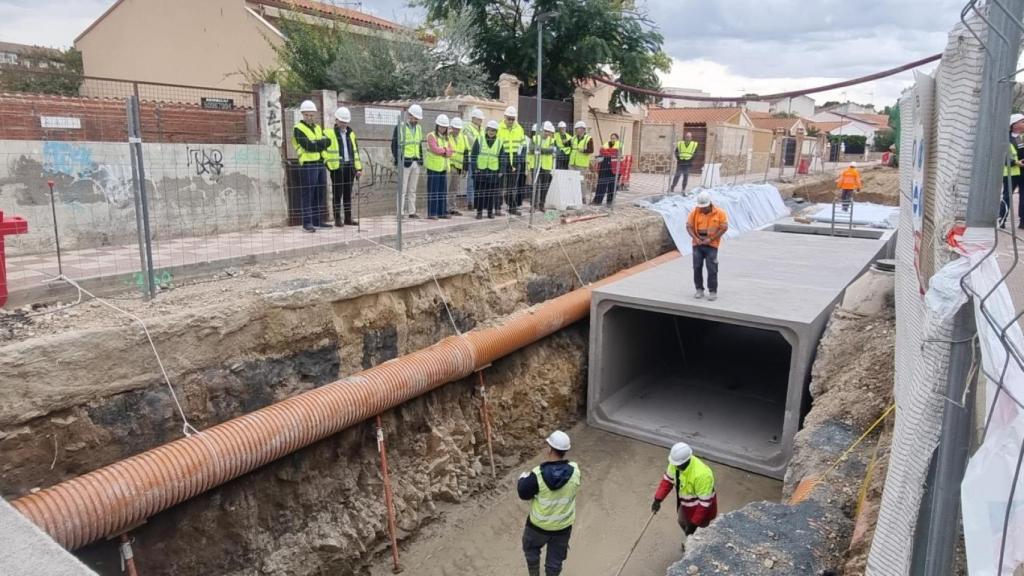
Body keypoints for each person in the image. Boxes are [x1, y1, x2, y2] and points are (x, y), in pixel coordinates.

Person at [518, 430, 581, 576]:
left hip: (537, 527)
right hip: (562, 528)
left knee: (531, 550)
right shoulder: (575, 471)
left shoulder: (538, 474)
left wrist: (522, 479)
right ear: (565, 450)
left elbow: (523, 493)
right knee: (554, 563)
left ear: (550, 449)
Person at [650, 442, 717, 551]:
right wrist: (658, 499)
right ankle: (690, 538)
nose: (675, 466)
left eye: (677, 464)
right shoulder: (676, 464)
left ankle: (696, 548)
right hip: (686, 504)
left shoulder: (703, 475)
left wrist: (694, 525)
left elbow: (704, 505)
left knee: (700, 531)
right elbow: (667, 481)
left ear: (686, 461)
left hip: (701, 509)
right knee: (682, 521)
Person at [293, 100, 331, 233]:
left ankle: (317, 220)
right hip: (308, 165)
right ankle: (307, 222)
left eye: (312, 115)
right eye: (307, 115)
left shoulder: (317, 128)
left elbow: (328, 141)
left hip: (320, 163)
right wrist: (319, 143)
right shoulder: (298, 128)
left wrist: (317, 143)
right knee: (308, 194)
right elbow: (307, 146)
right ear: (303, 114)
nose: (310, 117)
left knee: (319, 194)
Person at [323, 106, 362, 227]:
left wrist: (358, 168)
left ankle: (348, 218)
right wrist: (330, 165)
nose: (344, 124)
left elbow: (355, 151)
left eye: (346, 122)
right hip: (337, 168)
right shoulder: (329, 133)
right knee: (337, 194)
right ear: (336, 120)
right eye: (341, 121)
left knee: (347, 194)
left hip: (349, 167)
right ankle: (337, 219)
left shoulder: (351, 134)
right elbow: (323, 151)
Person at [687, 191, 728, 301]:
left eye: (704, 207)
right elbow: (688, 226)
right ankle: (699, 289)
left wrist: (711, 239)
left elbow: (724, 227)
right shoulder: (695, 212)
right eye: (701, 207)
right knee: (697, 267)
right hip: (698, 244)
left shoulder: (720, 213)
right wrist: (696, 238)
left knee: (712, 268)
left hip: (712, 245)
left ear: (710, 204)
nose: (703, 209)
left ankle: (713, 291)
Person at [391, 103, 424, 219]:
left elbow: (419, 145)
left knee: (412, 189)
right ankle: (400, 213)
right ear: (409, 115)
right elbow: (394, 145)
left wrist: (421, 159)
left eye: (417, 118)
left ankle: (412, 212)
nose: (416, 120)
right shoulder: (400, 127)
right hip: (404, 162)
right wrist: (398, 160)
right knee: (402, 189)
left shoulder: (419, 128)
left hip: (416, 162)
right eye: (415, 117)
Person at [472, 120, 506, 219]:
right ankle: (479, 212)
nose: (491, 132)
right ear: (487, 130)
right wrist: (475, 168)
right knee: (480, 193)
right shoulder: (479, 139)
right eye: (490, 130)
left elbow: (502, 157)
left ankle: (490, 212)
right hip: (481, 170)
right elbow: (473, 155)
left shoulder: (499, 142)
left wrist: (501, 170)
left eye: (494, 131)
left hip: (493, 171)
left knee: (491, 193)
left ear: (496, 132)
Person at [497, 106, 526, 216]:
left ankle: (512, 207)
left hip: (515, 159)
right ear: (505, 117)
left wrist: (520, 158)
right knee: (500, 184)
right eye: (509, 118)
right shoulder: (499, 128)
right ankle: (498, 207)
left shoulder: (519, 129)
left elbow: (523, 145)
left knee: (512, 185)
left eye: (513, 119)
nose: (511, 121)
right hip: (503, 158)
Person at [424, 114, 453, 220]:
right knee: (433, 191)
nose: (443, 129)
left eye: (444, 127)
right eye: (441, 126)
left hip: (443, 168)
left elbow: (451, 151)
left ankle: (442, 212)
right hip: (433, 168)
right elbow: (434, 149)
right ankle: (432, 213)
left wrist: (444, 151)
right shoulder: (431, 136)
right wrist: (445, 150)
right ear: (437, 126)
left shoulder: (447, 137)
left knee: (442, 191)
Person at [527, 121, 557, 211]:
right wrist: (545, 150)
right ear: (541, 130)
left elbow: (551, 150)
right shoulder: (535, 138)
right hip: (535, 165)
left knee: (544, 186)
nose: (546, 133)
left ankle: (541, 204)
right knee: (534, 186)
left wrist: (539, 149)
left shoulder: (552, 140)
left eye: (548, 131)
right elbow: (532, 149)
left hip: (546, 166)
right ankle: (533, 205)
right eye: (545, 131)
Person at [1003, 113, 1024, 228]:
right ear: (1014, 125)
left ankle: (1023, 222)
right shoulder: (1006, 139)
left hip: (1023, 173)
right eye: (1022, 122)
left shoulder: (1022, 137)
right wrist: (1015, 163)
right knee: (1007, 197)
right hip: (1011, 173)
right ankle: (1002, 220)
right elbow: (1003, 156)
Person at [465, 108, 486, 210]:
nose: (481, 121)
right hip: (471, 158)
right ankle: (471, 202)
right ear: (473, 118)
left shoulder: (482, 129)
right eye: (479, 119)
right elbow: (473, 142)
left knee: (479, 181)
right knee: (471, 180)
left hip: (481, 159)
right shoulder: (468, 128)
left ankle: (477, 202)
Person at [448, 116, 469, 216]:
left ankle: (452, 207)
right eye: (455, 128)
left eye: (458, 128)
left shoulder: (464, 138)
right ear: (451, 127)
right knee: (449, 187)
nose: (456, 130)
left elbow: (466, 153)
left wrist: (465, 168)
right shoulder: (447, 137)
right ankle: (447, 207)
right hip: (449, 166)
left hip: (459, 167)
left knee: (454, 188)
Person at [592, 133, 621, 205]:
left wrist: (606, 152)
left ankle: (610, 201)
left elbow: (616, 153)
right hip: (605, 165)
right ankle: (597, 201)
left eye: (614, 138)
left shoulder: (620, 145)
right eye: (611, 138)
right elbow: (601, 151)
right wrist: (609, 153)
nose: (612, 139)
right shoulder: (607, 144)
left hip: (614, 167)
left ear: (617, 139)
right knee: (601, 184)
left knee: (612, 185)